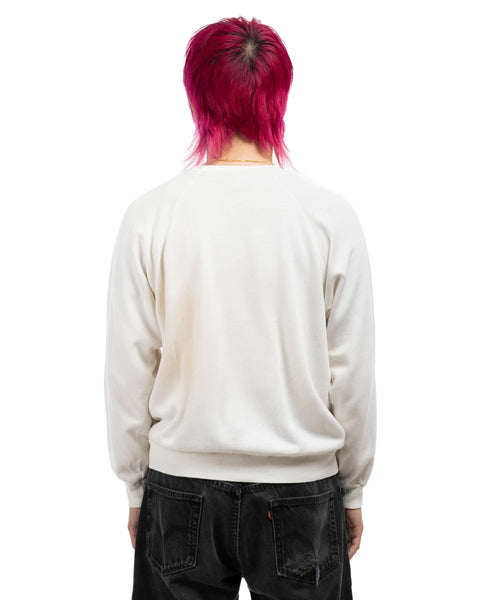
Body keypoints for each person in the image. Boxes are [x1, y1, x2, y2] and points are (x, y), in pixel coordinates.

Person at [104, 16, 376, 600]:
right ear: (280, 95)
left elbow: (129, 367)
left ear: (195, 94)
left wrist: (135, 487)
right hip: (302, 487)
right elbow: (352, 372)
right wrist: (352, 488)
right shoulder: (329, 218)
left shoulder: (151, 216)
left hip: (181, 486)